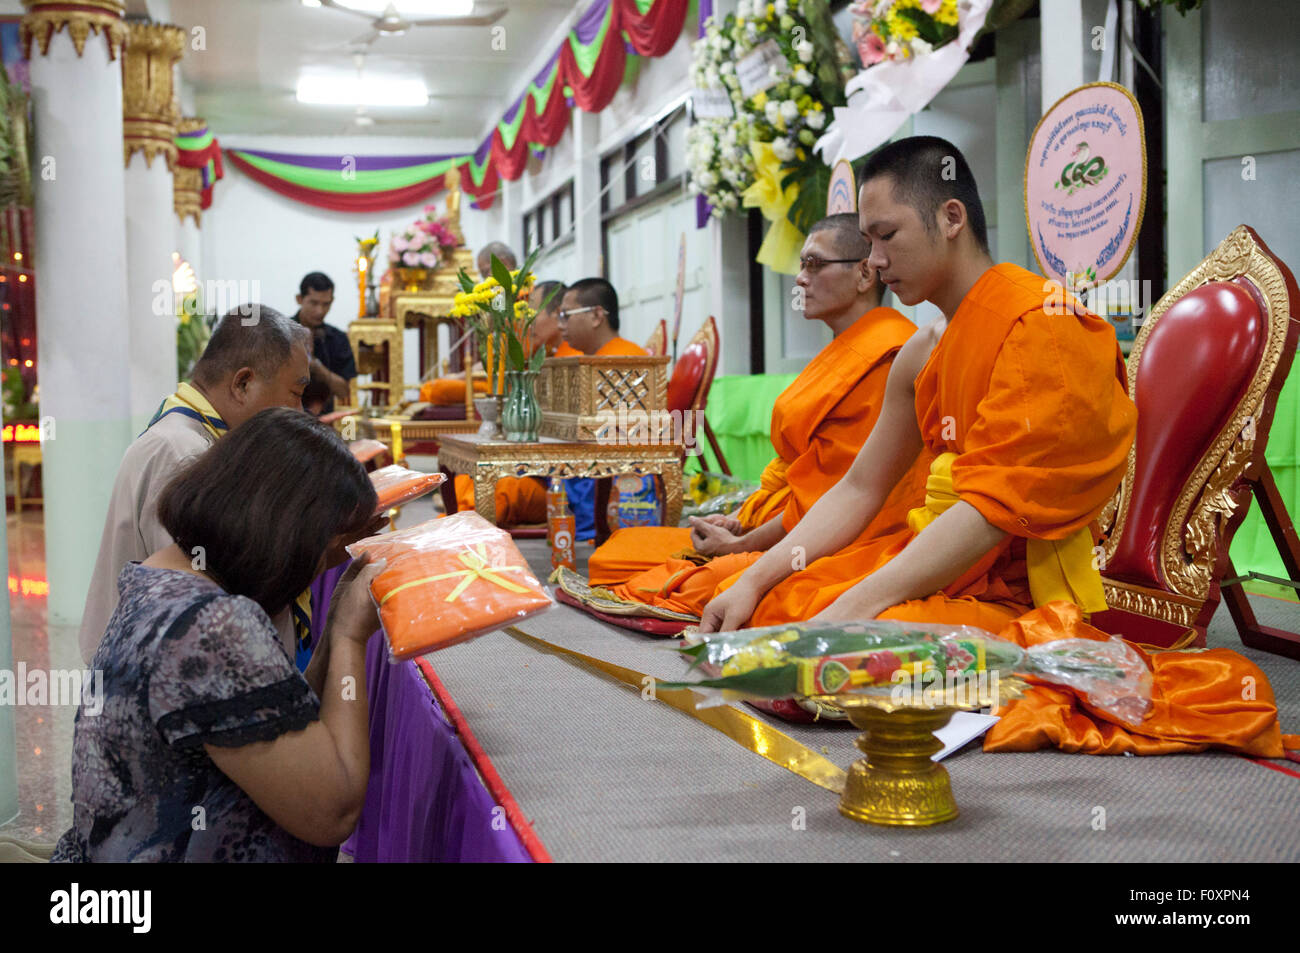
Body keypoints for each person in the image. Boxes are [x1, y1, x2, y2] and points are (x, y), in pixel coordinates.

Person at [698, 136, 1292, 758]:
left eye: (885, 235)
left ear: (951, 218)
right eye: (867, 243)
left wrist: (854, 607)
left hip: (1021, 596)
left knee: (850, 642)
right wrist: (760, 575)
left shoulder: (1045, 324)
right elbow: (860, 486)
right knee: (774, 601)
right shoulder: (922, 351)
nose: (872, 262)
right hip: (939, 565)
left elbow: (991, 511)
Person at [52, 409, 385, 862]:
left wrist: (329, 633)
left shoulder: (163, 572)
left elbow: (277, 717)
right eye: (323, 552)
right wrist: (348, 638)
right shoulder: (212, 626)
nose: (315, 573)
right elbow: (333, 811)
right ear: (285, 534)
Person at [584, 214, 926, 617]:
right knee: (614, 554)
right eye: (801, 265)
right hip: (781, 522)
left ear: (865, 274)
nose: (800, 278)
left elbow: (832, 501)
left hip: (842, 541)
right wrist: (739, 522)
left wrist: (742, 545)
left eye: (814, 264)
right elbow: (799, 479)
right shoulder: (848, 348)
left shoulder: (886, 355)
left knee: (695, 585)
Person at [79, 306, 312, 664]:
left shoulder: (205, 440)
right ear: (243, 384)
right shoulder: (181, 453)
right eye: (296, 393)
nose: (299, 412)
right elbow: (197, 600)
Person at [293, 272, 356, 415]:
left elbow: (343, 391)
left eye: (326, 304)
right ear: (299, 299)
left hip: (325, 419)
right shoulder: (281, 333)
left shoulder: (337, 338)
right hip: (287, 418)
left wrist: (316, 366)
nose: (320, 311)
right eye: (314, 303)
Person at [558, 278, 648, 357]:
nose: (560, 326)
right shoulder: (585, 359)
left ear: (596, 316)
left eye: (566, 315)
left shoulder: (625, 360)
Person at [529, 280, 580, 358]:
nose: (528, 324)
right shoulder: (552, 355)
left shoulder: (573, 359)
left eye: (533, 315)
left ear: (558, 313)